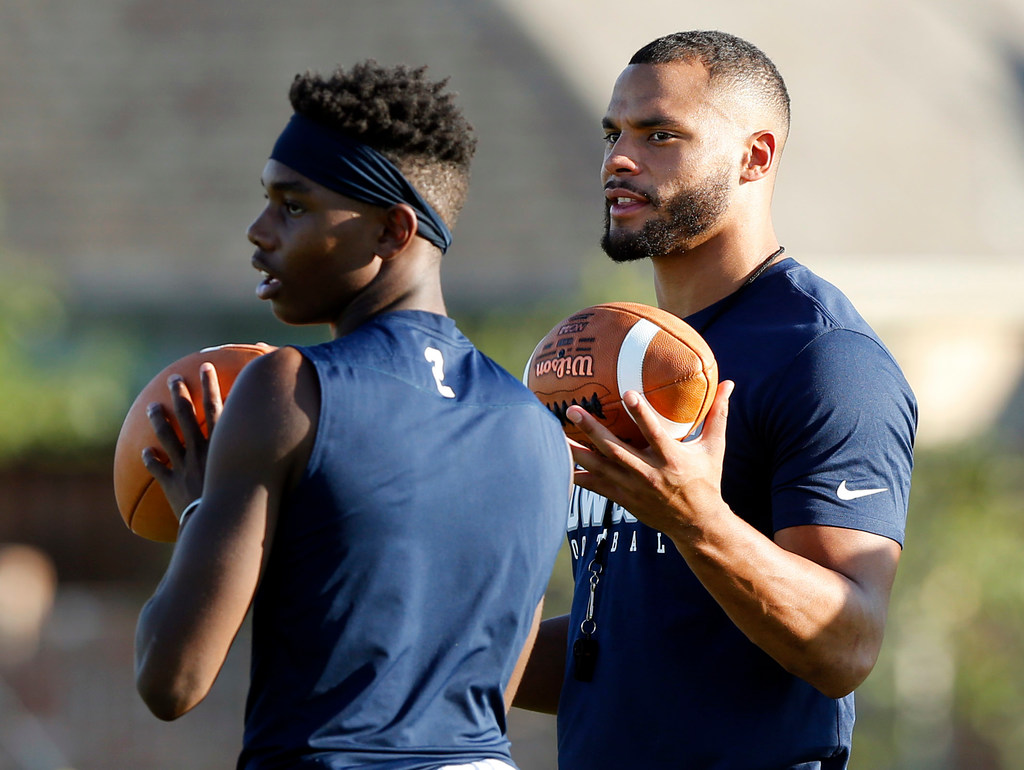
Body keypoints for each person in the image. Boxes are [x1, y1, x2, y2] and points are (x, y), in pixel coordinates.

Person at [134, 61, 571, 770]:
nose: (258, 229)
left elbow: (170, 678)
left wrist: (200, 513)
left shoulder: (289, 389)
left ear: (394, 231)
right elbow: (495, 679)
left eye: (294, 205)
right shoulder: (534, 424)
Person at [514, 31, 917, 769]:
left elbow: (846, 644)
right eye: (614, 133)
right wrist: (420, 633)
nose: (618, 160)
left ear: (755, 156)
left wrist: (695, 517)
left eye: (661, 134)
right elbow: (622, 648)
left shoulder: (825, 356)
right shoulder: (617, 362)